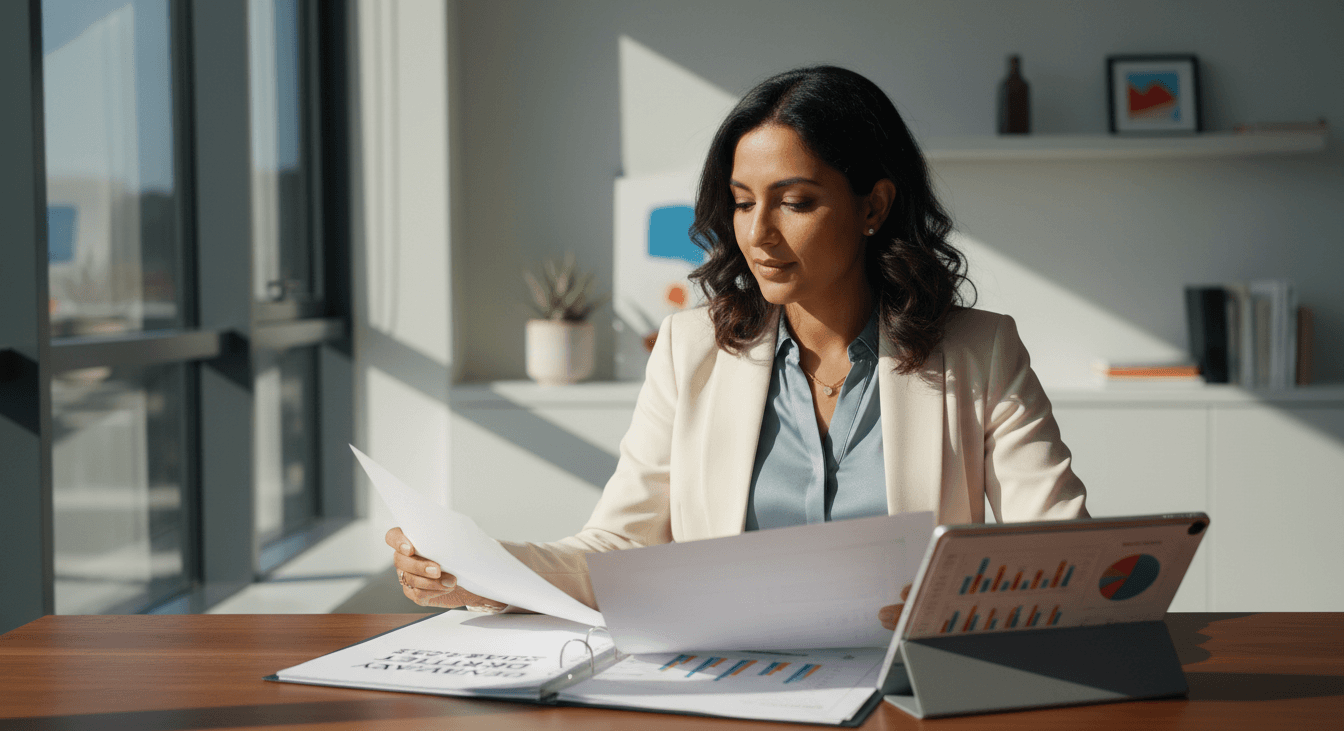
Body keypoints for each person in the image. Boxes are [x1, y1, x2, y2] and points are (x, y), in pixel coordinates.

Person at [386, 66, 1088, 626]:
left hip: (906, 696)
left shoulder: (980, 352)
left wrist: (950, 610)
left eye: (796, 201)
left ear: (872, 206)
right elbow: (619, 547)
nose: (758, 235)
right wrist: (477, 569)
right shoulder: (689, 350)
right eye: (745, 201)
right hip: (731, 692)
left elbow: (1055, 553)